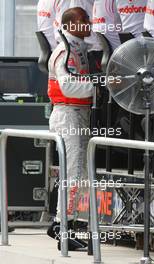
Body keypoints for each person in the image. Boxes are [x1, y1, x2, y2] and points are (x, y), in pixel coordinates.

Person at [47, 7, 95, 250]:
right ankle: (62, 229)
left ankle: (62, 225)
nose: (90, 23)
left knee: (77, 174)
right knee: (73, 174)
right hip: (68, 115)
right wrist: (99, 85)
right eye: (86, 20)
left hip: (78, 115)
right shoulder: (65, 51)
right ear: (74, 23)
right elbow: (68, 87)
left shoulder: (78, 49)